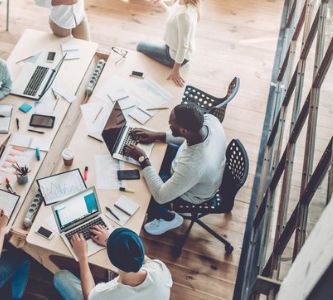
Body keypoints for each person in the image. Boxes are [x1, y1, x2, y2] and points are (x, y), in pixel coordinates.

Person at [123, 104, 226, 235]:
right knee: (155, 160)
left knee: (144, 193)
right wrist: (157, 135)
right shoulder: (209, 120)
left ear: (183, 131)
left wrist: (142, 158)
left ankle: (169, 217)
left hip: (193, 193)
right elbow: (186, 139)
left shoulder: (194, 165)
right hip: (195, 168)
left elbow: (161, 196)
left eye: (171, 123)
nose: (169, 124)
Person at [53, 227, 173, 299]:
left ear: (112, 260)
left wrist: (82, 256)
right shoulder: (160, 268)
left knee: (60, 276)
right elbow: (138, 255)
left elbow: (89, 296)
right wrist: (111, 242)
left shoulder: (106, 294)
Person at [136, 0, 200, 87]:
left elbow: (183, 46)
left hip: (173, 56)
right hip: (175, 48)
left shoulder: (184, 15)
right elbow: (173, 14)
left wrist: (175, 70)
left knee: (140, 46)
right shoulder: (185, 3)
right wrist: (161, 3)